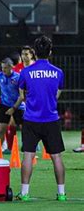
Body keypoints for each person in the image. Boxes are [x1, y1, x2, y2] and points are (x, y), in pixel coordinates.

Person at [16, 36, 67, 201]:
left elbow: (22, 95)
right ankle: (61, 193)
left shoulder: (25, 72)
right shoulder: (58, 72)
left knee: (28, 156)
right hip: (51, 118)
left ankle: (24, 193)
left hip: (31, 119)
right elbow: (57, 94)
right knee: (56, 157)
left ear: (34, 53)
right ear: (50, 52)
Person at [0, 58, 25, 154]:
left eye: (6, 68)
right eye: (2, 68)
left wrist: (14, 108)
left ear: (12, 67)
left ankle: (28, 150)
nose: (3, 70)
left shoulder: (18, 77)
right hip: (4, 105)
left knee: (25, 129)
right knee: (1, 129)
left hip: (18, 106)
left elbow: (22, 96)